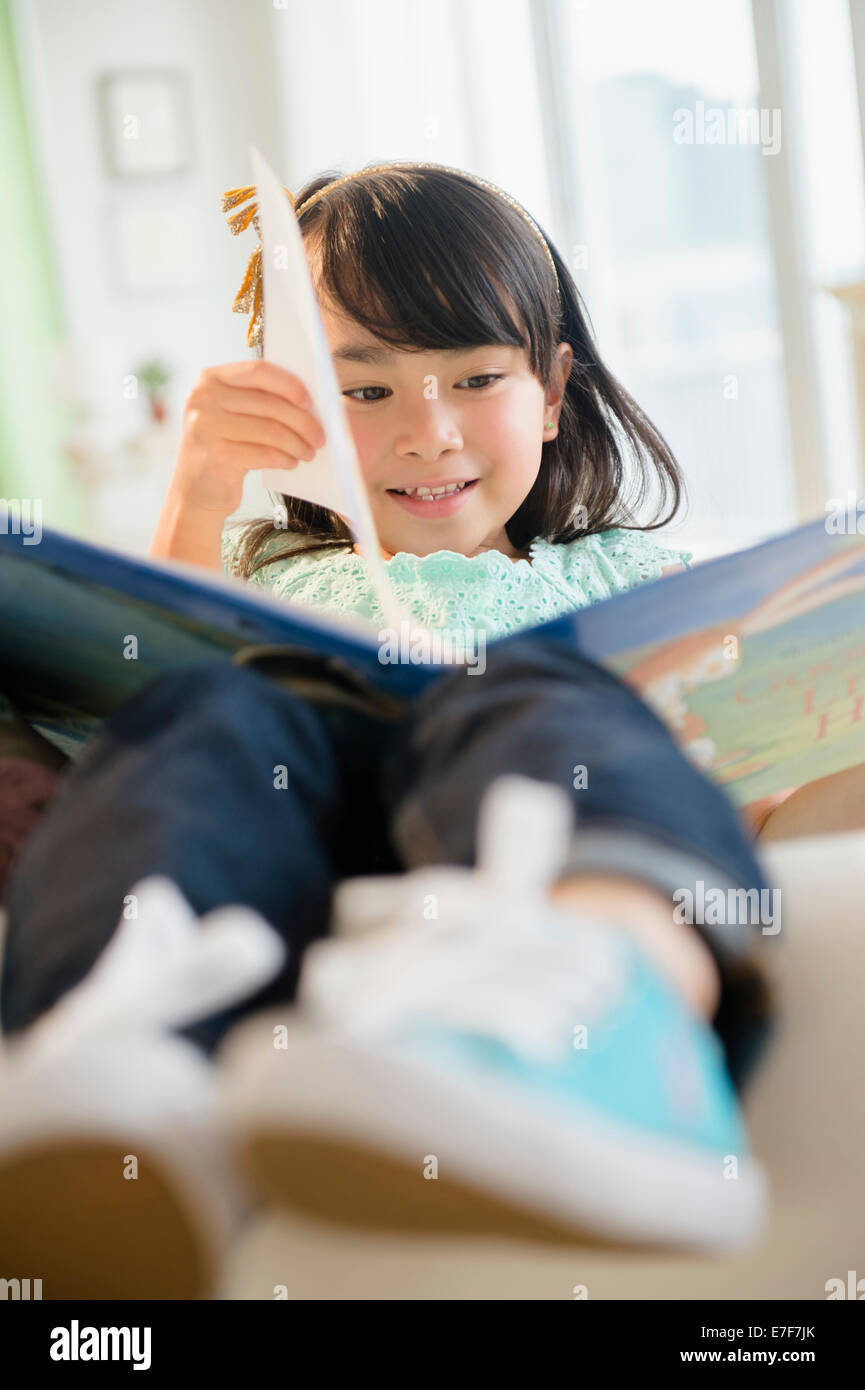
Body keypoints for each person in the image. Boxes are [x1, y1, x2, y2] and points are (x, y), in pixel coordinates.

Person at [0, 163, 778, 1298]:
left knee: (531, 682)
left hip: (505, 827)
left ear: (554, 393)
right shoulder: (263, 576)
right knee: (210, 704)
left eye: (474, 379)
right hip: (287, 821)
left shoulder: (629, 584)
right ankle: (108, 1062)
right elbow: (136, 703)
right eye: (364, 392)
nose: (427, 433)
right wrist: (202, 492)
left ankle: (609, 1027)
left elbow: (743, 759)